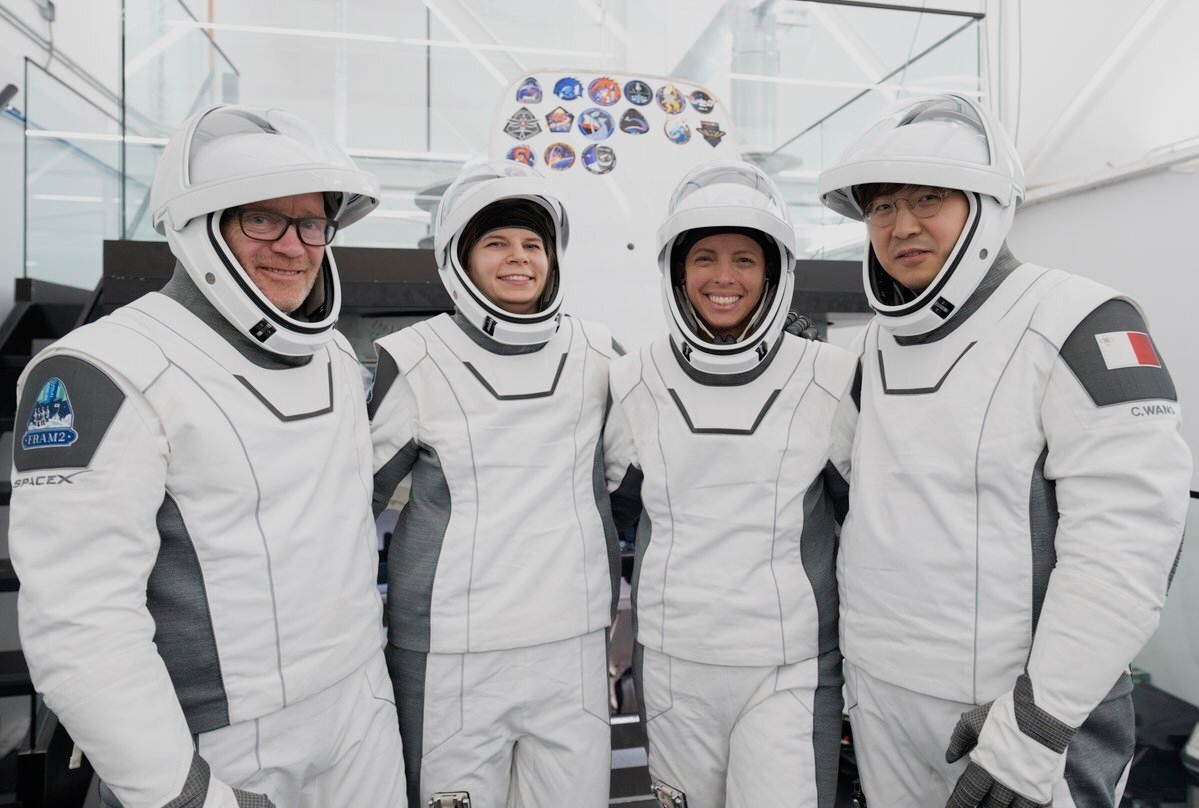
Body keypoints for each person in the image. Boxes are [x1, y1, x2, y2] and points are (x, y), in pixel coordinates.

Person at [9, 105, 406, 808]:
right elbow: (81, 624)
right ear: (199, 226)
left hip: (358, 704)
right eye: (262, 219)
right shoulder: (102, 368)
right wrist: (183, 794)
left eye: (312, 223)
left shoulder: (338, 357)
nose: (294, 246)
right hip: (222, 739)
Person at [817, 93, 1192, 808]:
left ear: (986, 207)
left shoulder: (1078, 319)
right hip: (881, 698)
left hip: (1019, 717)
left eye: (928, 198)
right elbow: (847, 500)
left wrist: (1036, 726)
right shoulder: (870, 348)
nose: (901, 225)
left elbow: (1128, 546)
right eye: (882, 207)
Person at [369, 160, 626, 807]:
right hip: (450, 655)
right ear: (459, 257)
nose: (519, 258)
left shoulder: (599, 353)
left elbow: (634, 483)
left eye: (533, 244)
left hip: (571, 644)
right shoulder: (414, 358)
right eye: (496, 243)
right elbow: (350, 503)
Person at [603, 160, 857, 808]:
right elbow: (610, 516)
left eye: (744, 260)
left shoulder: (829, 376)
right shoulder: (634, 378)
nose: (723, 278)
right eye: (705, 259)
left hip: (788, 668)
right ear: (676, 271)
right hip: (673, 664)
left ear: (773, 272)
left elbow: (863, 522)